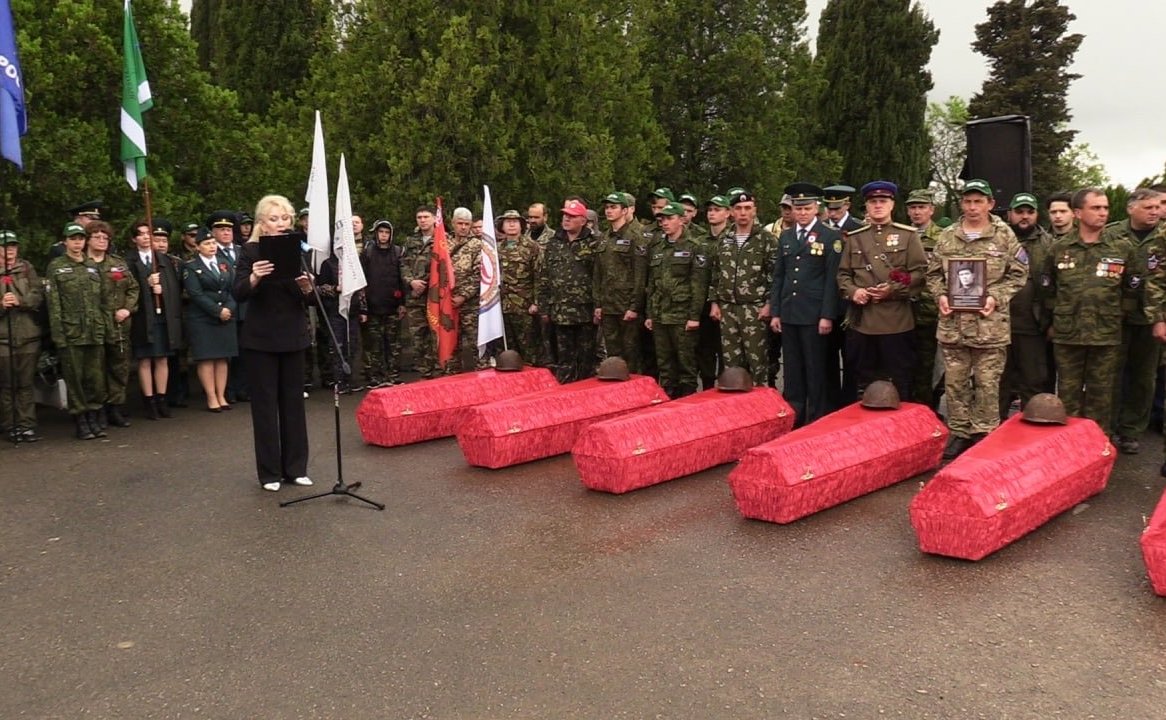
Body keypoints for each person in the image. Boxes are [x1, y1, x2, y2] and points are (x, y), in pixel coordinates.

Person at [926, 180, 1027, 460]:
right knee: (955, 383)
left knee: (987, 382)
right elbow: (933, 274)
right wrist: (941, 297)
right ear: (962, 203)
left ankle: (984, 433)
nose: (973, 207)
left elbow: (1019, 273)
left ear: (990, 204)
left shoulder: (1004, 235)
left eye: (978, 201)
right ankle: (959, 431)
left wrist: (995, 296)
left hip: (989, 326)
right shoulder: (948, 236)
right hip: (954, 325)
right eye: (968, 201)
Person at [233, 194, 315, 492]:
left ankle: (296, 468)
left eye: (285, 219)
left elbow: (310, 300)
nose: (281, 224)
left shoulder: (297, 250)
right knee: (265, 408)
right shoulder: (250, 251)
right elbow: (239, 292)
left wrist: (307, 288)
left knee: (293, 404)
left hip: (292, 336)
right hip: (261, 340)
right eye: (274, 219)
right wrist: (254, 277)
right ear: (261, 223)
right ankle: (269, 473)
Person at [1041, 187, 1136, 435]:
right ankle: (1069, 444)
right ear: (1078, 212)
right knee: (1068, 394)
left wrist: (1119, 317)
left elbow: (1133, 289)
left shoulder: (1122, 248)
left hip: (1106, 333)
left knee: (1101, 394)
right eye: (1096, 208)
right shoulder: (1059, 248)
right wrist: (1053, 320)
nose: (1103, 212)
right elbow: (1047, 289)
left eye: (1105, 207)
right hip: (1068, 332)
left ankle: (1096, 444)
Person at [836, 181, 927, 400]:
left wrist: (892, 289)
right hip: (863, 321)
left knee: (899, 379)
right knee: (863, 379)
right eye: (873, 202)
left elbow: (919, 273)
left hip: (896, 320)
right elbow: (843, 275)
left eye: (883, 201)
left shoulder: (908, 235)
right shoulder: (855, 237)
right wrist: (854, 291)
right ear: (866, 206)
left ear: (892, 205)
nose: (878, 206)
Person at [769, 183, 842, 425]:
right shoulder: (787, 236)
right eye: (797, 208)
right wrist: (776, 312)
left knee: (815, 370)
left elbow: (832, 280)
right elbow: (780, 276)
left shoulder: (830, 236)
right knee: (792, 371)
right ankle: (794, 418)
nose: (801, 213)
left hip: (814, 314)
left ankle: (817, 418)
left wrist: (827, 315)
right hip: (790, 312)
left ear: (816, 209)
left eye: (806, 208)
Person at [1104, 187, 1165, 454]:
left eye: (1157, 207)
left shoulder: (1164, 235)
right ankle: (1109, 426)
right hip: (1116, 316)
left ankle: (1131, 431)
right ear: (1131, 209)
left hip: (1152, 319)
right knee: (1111, 374)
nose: (1155, 212)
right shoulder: (1112, 233)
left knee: (1144, 376)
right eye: (1149, 207)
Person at [708, 189, 777, 387]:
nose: (743, 213)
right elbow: (716, 273)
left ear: (755, 210)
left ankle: (763, 406)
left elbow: (774, 275)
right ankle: (734, 406)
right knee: (731, 364)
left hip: (754, 309)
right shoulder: (724, 239)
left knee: (758, 362)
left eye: (747, 208)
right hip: (728, 309)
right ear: (731, 212)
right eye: (738, 208)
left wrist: (769, 304)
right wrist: (714, 303)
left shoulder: (766, 240)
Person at [46, 223, 107, 439]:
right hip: (71, 333)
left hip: (94, 331)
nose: (77, 242)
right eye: (73, 239)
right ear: (65, 242)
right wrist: (58, 335)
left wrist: (104, 327)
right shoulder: (56, 267)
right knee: (75, 380)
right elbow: (54, 304)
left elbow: (103, 301)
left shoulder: (92, 266)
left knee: (96, 379)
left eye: (81, 238)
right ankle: (80, 419)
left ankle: (94, 415)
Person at [645, 201, 711, 398]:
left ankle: (687, 401)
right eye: (662, 219)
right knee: (664, 364)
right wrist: (650, 313)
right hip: (660, 314)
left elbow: (699, 285)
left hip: (682, 315)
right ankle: (667, 400)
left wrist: (694, 316)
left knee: (686, 364)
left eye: (669, 218)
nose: (664, 223)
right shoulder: (657, 247)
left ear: (682, 220)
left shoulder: (695, 247)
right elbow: (652, 284)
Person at [999, 192, 1054, 420]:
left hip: (1033, 324)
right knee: (998, 381)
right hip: (998, 323)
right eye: (1019, 212)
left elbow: (1056, 286)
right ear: (1010, 214)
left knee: (1033, 380)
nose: (1024, 216)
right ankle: (993, 431)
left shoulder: (1049, 244)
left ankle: (1030, 431)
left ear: (1036, 215)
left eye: (1029, 212)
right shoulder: (997, 239)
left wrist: (1052, 320)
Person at [532, 198, 598, 383]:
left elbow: (599, 278)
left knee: (586, 358)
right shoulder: (554, 243)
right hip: (560, 311)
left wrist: (598, 307)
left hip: (585, 311)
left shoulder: (594, 243)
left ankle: (586, 393)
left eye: (571, 216)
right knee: (564, 358)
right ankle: (566, 390)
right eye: (564, 216)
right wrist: (544, 307)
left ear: (583, 221)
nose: (566, 219)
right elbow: (544, 276)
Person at [127, 219, 184, 419]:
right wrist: (146, 283)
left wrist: (162, 290)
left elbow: (173, 289)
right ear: (134, 239)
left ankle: (162, 397)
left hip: (163, 316)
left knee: (162, 358)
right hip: (143, 317)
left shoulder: (163, 259)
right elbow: (127, 289)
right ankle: (149, 400)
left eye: (148, 234)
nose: (145, 237)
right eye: (141, 234)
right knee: (145, 360)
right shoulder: (129, 261)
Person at [86, 221, 138, 429]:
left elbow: (133, 289)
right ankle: (97, 409)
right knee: (95, 370)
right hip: (93, 326)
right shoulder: (82, 264)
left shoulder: (118, 263)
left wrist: (127, 308)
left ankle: (115, 407)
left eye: (105, 238)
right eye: (97, 237)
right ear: (88, 240)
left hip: (118, 325)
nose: (102, 241)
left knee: (119, 367)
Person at [183, 230, 238, 411]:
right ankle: (211, 397)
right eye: (206, 244)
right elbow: (196, 294)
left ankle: (221, 396)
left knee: (222, 358)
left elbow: (233, 289)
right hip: (203, 318)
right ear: (198, 247)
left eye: (213, 243)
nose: (212, 247)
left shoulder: (224, 263)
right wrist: (217, 311)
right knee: (207, 358)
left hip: (225, 316)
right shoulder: (191, 266)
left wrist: (229, 308)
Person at [593, 192, 648, 373]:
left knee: (632, 355)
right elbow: (598, 273)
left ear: (625, 210)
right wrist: (598, 304)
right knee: (613, 355)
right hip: (608, 305)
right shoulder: (604, 237)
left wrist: (634, 306)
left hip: (626, 305)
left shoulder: (636, 236)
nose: (609, 211)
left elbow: (640, 275)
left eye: (613, 207)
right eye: (607, 207)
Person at [0, 230, 45, 442]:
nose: (9, 251)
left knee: (26, 383)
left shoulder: (27, 268)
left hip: (28, 335)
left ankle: (27, 425)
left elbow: (38, 294)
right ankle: (10, 425)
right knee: (8, 385)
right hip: (2, 337)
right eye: (4, 246)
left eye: (12, 246)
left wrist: (21, 301)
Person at [905, 188, 943, 407]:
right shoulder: (901, 235)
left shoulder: (943, 237)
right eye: (913, 208)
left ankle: (928, 409)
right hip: (902, 310)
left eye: (921, 207)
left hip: (930, 311)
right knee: (905, 363)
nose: (917, 212)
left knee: (928, 366)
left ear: (931, 210)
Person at [360, 219, 405, 387]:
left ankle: (393, 375)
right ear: (376, 233)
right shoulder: (368, 253)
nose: (384, 235)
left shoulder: (398, 252)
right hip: (373, 306)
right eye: (381, 232)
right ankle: (375, 377)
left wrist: (402, 303)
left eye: (387, 232)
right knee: (374, 344)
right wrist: (363, 307)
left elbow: (401, 279)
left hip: (393, 305)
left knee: (393, 344)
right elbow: (361, 281)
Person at [495, 210, 541, 365]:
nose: (512, 224)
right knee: (507, 351)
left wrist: (536, 302)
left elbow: (539, 276)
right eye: (508, 221)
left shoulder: (532, 247)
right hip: (502, 306)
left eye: (515, 221)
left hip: (524, 306)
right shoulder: (496, 249)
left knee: (528, 349)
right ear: (502, 226)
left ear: (522, 225)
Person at [401, 205, 439, 379]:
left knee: (436, 335)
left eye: (426, 217)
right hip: (414, 298)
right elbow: (403, 264)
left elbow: (444, 267)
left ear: (433, 218)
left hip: (434, 297)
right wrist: (411, 282)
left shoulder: (442, 239)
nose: (422, 220)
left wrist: (425, 283)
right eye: (419, 217)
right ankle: (424, 372)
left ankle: (439, 370)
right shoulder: (410, 241)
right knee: (418, 337)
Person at [449, 207, 485, 373]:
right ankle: (452, 378)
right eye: (460, 223)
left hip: (470, 305)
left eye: (466, 224)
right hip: (447, 303)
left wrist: (463, 296)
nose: (463, 227)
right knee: (451, 345)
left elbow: (481, 274)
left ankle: (481, 379)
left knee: (475, 344)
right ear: (453, 223)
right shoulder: (443, 243)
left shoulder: (477, 245)